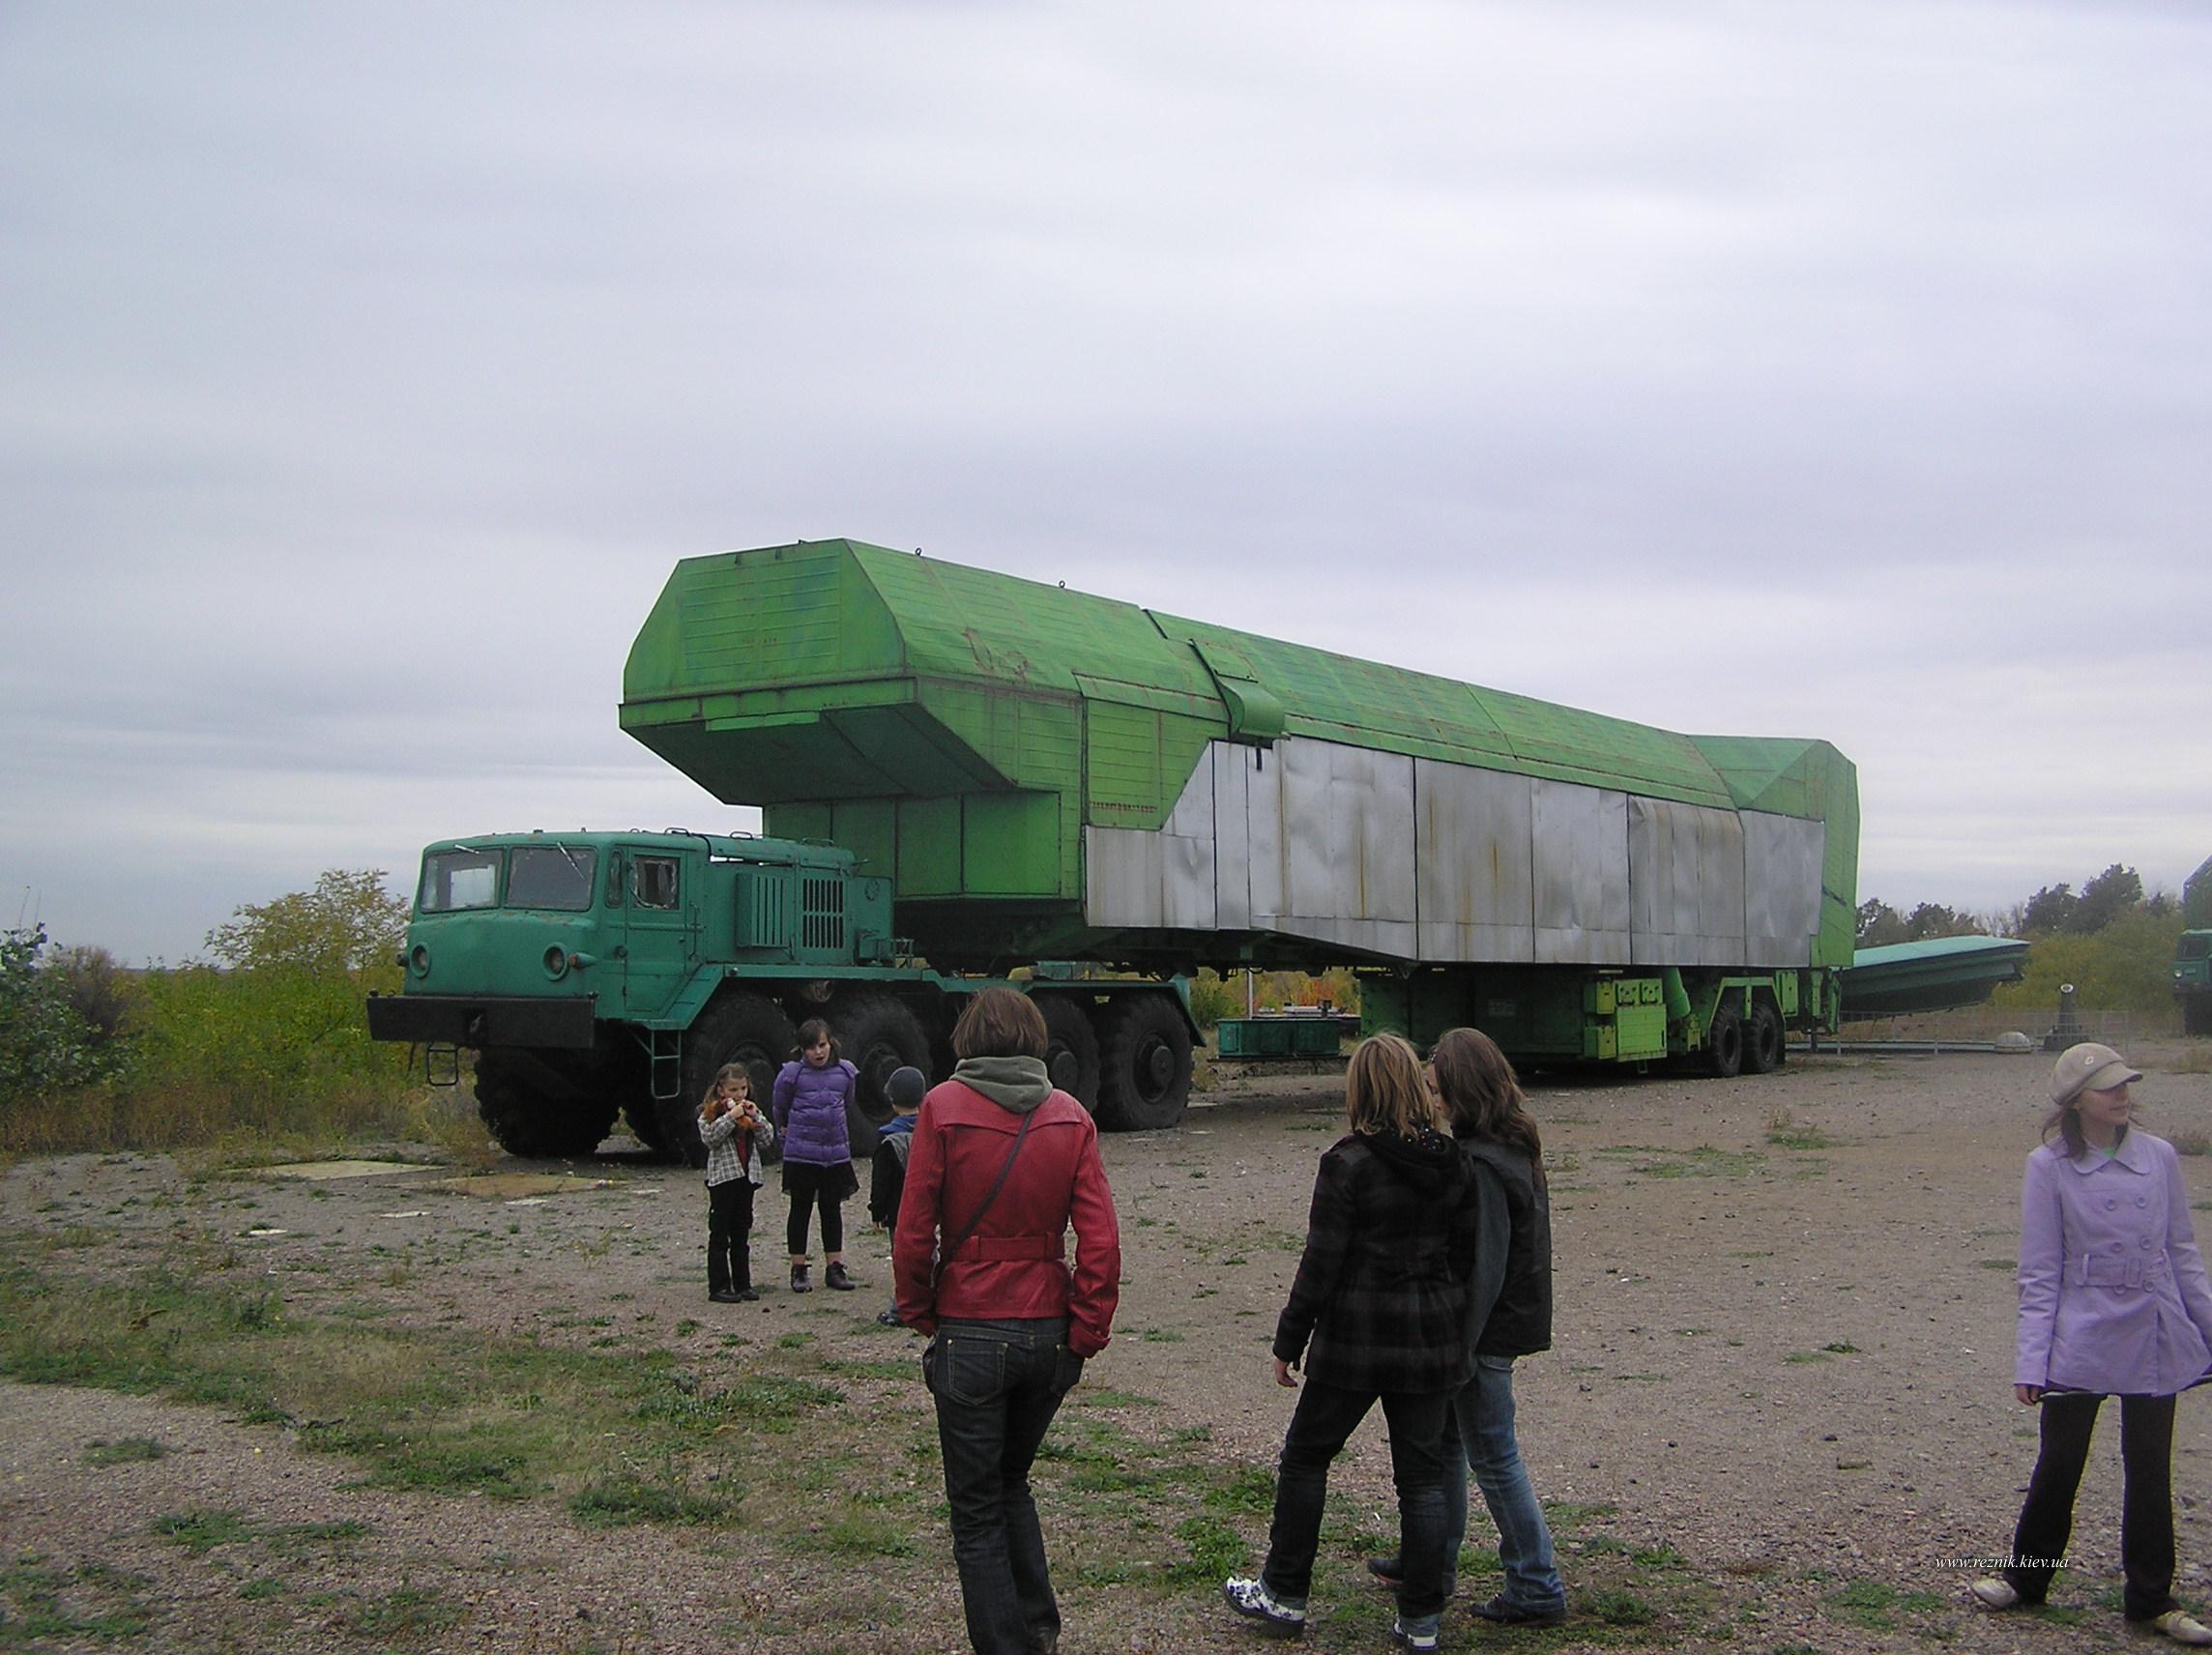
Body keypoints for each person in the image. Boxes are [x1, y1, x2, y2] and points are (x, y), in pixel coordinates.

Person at [1225, 1033, 1481, 1654]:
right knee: (1421, 1480)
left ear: (1360, 1091)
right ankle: (1421, 1619)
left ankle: (1284, 1591)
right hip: (1428, 1338)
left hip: (1355, 1339)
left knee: (1307, 1456)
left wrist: (1289, 1339)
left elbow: (1321, 1262)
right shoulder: (1454, 1162)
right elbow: (1465, 1256)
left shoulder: (1347, 1163)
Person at [893, 988, 1121, 1655]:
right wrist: (1086, 1331)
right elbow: (1101, 1241)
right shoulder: (1071, 1116)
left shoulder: (941, 1108)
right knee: (1012, 1481)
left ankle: (1009, 1644)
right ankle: (1037, 1624)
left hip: (970, 1325)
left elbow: (914, 1230)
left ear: (968, 1038)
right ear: (1034, 1038)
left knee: (975, 1510)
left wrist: (919, 1308)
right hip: (1048, 1329)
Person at [1971, 1042, 2212, 1643]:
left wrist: (2209, 1330)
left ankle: (2152, 1600)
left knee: (2150, 1468)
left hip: (2153, 1328)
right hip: (2082, 1329)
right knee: (2060, 1461)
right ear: (2077, 1101)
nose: (2122, 1095)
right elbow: (2039, 1270)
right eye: (2108, 1088)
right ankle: (2026, 1579)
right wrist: (2032, 1360)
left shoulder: (2158, 1156)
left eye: (2126, 1084)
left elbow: (2182, 1252)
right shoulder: (2048, 1166)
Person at [1369, 1027, 1567, 1625]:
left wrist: (1462, 1345)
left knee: (1493, 1455)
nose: (1431, 1101)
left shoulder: (1484, 1164)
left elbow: (1485, 1265)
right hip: (1491, 1329)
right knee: (1451, 1448)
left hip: (1482, 1335)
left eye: (1437, 1090)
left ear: (1464, 1091)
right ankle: (1432, 1562)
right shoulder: (1509, 1146)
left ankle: (1536, 1581)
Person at [773, 1018, 860, 1292]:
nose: (818, 1052)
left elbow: (846, 1103)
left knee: (831, 1209)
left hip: (835, 1153)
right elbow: (780, 1107)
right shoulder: (791, 1075)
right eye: (811, 1047)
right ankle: (798, 1268)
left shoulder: (845, 1072)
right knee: (800, 1209)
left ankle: (835, 1266)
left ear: (830, 1043)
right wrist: (785, 1134)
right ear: (802, 1050)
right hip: (801, 1153)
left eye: (822, 1045)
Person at [697, 1062, 772, 1303]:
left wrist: (755, 1116)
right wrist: (731, 1116)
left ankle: (743, 1284)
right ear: (721, 1090)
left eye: (742, 1089)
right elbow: (710, 1138)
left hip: (746, 1179)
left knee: (741, 1234)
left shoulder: (751, 1112)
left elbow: (767, 1139)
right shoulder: (710, 1113)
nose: (739, 1094)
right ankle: (719, 1286)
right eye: (733, 1090)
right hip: (723, 1180)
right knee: (720, 1234)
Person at [871, 1063, 927, 1326]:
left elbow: (881, 1181)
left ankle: (901, 1309)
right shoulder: (931, 1131)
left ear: (892, 1101)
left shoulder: (887, 1139)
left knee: (903, 1260)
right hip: (928, 1208)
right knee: (930, 1255)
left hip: (898, 1210)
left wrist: (877, 1211)